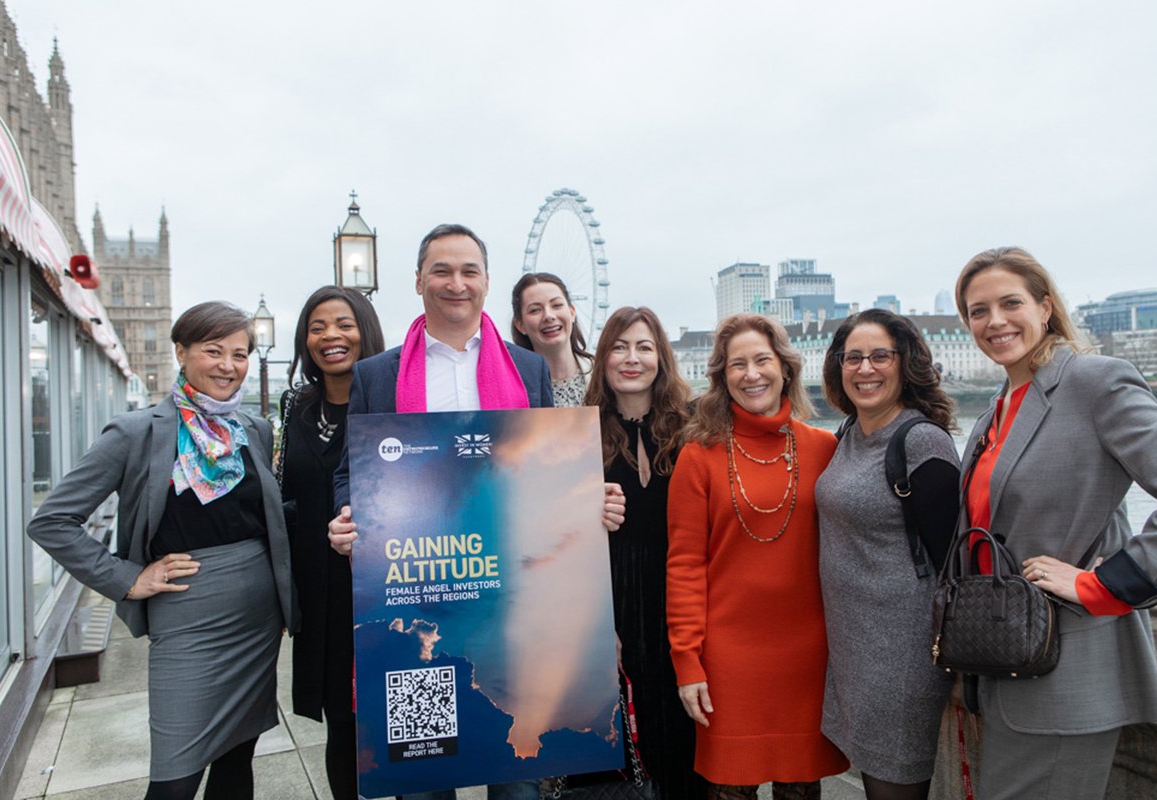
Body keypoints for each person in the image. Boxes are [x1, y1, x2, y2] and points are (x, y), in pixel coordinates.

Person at [328, 223, 627, 800]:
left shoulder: (527, 368)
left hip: (513, 603)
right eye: (441, 270)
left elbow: (549, 466)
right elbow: (352, 471)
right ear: (418, 281)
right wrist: (346, 517)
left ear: (487, 282)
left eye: (469, 271)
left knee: (516, 772)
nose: (456, 283)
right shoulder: (376, 375)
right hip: (417, 601)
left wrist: (593, 498)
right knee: (423, 776)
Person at [27, 301, 297, 800]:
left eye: (240, 354)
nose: (229, 366)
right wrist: (127, 578)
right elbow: (52, 521)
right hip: (185, 620)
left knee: (238, 756)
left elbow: (268, 518)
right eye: (213, 351)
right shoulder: (135, 432)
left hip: (257, 618)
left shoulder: (252, 429)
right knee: (174, 779)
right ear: (181, 351)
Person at [953, 246, 1157, 799]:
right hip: (1004, 661)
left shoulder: (1094, 383)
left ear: (1044, 306)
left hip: (1070, 667)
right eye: (978, 310)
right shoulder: (998, 406)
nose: (995, 321)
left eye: (1010, 302)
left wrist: (1103, 583)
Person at [667, 313, 849, 800]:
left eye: (762, 360)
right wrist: (687, 661)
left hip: (808, 656)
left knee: (800, 790)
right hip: (727, 658)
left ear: (785, 367)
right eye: (737, 364)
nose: (752, 374)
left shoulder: (825, 448)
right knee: (730, 790)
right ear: (722, 377)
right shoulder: (699, 454)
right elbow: (684, 566)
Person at [815, 309, 960, 800]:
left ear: (905, 363)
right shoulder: (848, 434)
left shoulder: (922, 442)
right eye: (852, 357)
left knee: (893, 788)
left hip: (902, 653)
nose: (865, 368)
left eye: (880, 356)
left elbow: (951, 562)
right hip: (853, 647)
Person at [585, 306, 703, 800]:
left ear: (662, 358)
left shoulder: (694, 427)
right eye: (619, 346)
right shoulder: (576, 433)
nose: (631, 359)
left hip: (681, 594)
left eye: (644, 347)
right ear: (603, 358)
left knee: (687, 738)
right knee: (620, 747)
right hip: (609, 598)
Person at [279, 286, 385, 799]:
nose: (330, 337)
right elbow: (288, 493)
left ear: (365, 328)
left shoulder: (392, 403)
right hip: (319, 591)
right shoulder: (296, 407)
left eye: (344, 324)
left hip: (381, 586)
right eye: (317, 327)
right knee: (341, 725)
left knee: (399, 724)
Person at [511, 271, 592, 407]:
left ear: (572, 312)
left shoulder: (602, 375)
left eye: (557, 305)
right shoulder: (512, 385)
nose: (549, 316)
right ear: (520, 325)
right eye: (535, 310)